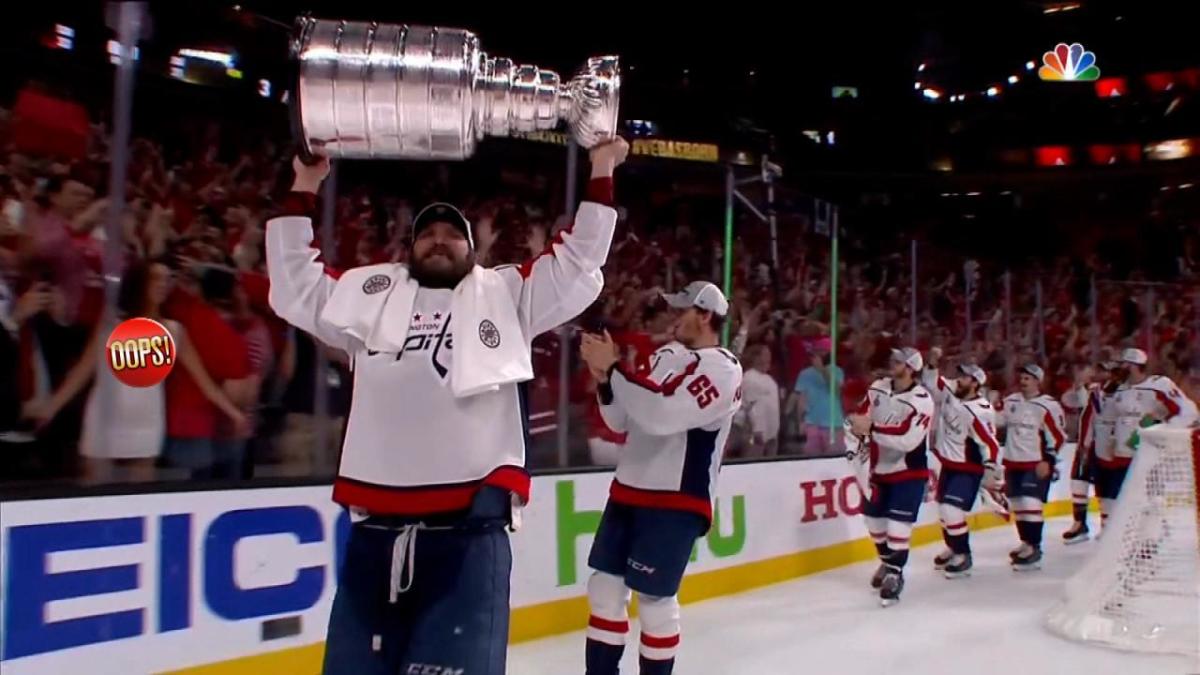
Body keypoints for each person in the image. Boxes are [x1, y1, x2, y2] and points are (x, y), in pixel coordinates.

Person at [269, 138, 627, 675]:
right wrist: (303, 185)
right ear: (408, 248)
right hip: (374, 538)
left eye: (452, 233)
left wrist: (601, 168)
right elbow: (294, 283)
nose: (439, 241)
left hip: (468, 539)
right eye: (427, 233)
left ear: (473, 249)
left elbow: (577, 263)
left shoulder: (507, 295)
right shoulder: (368, 298)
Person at [577, 280, 742, 675]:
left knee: (654, 601)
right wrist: (605, 378)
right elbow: (623, 420)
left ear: (704, 315)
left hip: (676, 500)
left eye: (682, 309)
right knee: (604, 589)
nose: (672, 317)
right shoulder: (666, 354)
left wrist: (616, 368)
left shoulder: (724, 369)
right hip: (628, 490)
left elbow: (661, 414)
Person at [24, 260, 249, 483]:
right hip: (105, 416)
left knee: (140, 495)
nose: (163, 284)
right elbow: (84, 370)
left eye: (167, 278)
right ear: (140, 283)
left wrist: (233, 413)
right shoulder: (111, 324)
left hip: (147, 419)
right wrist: (52, 407)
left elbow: (204, 382)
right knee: (95, 491)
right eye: (155, 278)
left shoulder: (174, 331)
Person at [845, 347, 934, 607]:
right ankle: (887, 562)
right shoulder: (878, 387)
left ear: (909, 368)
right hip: (878, 469)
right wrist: (856, 422)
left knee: (897, 526)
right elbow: (863, 414)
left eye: (898, 361)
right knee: (873, 522)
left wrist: (871, 429)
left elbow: (908, 439)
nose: (891, 362)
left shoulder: (921, 400)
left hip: (909, 470)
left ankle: (895, 573)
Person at [921, 349, 1002, 578]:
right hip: (949, 464)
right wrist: (933, 362)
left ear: (975, 383)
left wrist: (991, 468)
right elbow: (931, 382)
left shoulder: (980, 411)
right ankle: (952, 546)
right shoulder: (951, 391)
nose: (959, 379)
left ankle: (963, 554)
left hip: (968, 467)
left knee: (951, 509)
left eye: (965, 377)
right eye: (960, 375)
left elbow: (990, 443)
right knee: (943, 511)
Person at [997, 363, 1067, 571]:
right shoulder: (1011, 401)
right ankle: (1026, 542)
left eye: (1028, 378)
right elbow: (997, 421)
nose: (1023, 381)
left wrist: (1049, 460)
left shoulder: (1048, 406)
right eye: (1022, 377)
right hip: (1012, 460)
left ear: (1038, 381)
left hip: (1034, 463)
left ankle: (1035, 546)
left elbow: (1058, 436)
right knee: (1018, 504)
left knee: (1030, 503)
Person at [1060, 358, 1121, 543]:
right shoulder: (1094, 390)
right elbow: (1069, 401)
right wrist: (1078, 385)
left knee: (1106, 487)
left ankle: (1108, 526)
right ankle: (1080, 524)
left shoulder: (1124, 393)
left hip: (1109, 444)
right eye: (1101, 370)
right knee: (1078, 481)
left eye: (1107, 371)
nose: (1102, 374)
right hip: (1087, 443)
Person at [1112, 347, 1199, 458]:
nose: (1119, 368)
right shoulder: (1121, 389)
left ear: (1133, 365)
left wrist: (1162, 428)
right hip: (1121, 453)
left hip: (1146, 453)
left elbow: (1186, 410)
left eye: (1123, 364)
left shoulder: (1159, 384)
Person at [791, 343, 844, 457]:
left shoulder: (837, 371)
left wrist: (822, 370)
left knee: (834, 460)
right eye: (814, 354)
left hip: (834, 424)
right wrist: (800, 421)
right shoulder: (805, 374)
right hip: (811, 424)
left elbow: (836, 390)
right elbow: (801, 398)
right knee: (811, 460)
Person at [739, 344, 781, 457]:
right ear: (756, 358)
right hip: (756, 433)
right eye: (766, 355)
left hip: (772, 432)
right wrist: (758, 429)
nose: (769, 358)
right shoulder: (749, 377)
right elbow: (752, 407)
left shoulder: (769, 379)